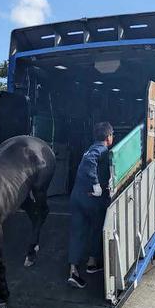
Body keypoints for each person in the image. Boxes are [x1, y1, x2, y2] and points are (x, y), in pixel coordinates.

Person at [67, 122, 114, 289]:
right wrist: (96, 185)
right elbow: (89, 161)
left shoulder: (89, 147)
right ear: (108, 137)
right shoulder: (100, 149)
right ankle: (92, 262)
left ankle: (73, 271)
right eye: (112, 135)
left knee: (77, 232)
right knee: (96, 227)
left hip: (76, 196)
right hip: (91, 198)